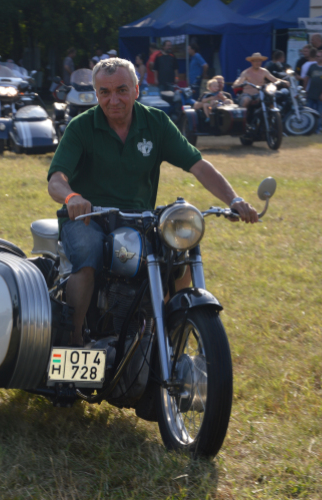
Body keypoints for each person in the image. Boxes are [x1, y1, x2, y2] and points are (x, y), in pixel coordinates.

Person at [46, 57, 259, 346]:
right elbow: (56, 178)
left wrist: (234, 199)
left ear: (136, 89)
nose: (113, 100)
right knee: (89, 256)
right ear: (96, 94)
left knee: (178, 255)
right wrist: (72, 197)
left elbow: (198, 165)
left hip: (139, 219)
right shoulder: (81, 127)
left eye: (121, 90)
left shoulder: (155, 123)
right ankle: (74, 341)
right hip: (87, 217)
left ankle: (166, 339)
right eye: (105, 93)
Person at [304, 50, 322, 134]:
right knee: (309, 112)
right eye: (316, 56)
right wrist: (304, 90)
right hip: (311, 94)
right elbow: (307, 78)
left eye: (318, 56)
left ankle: (317, 128)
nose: (316, 57)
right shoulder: (312, 66)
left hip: (321, 95)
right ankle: (308, 129)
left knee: (319, 113)